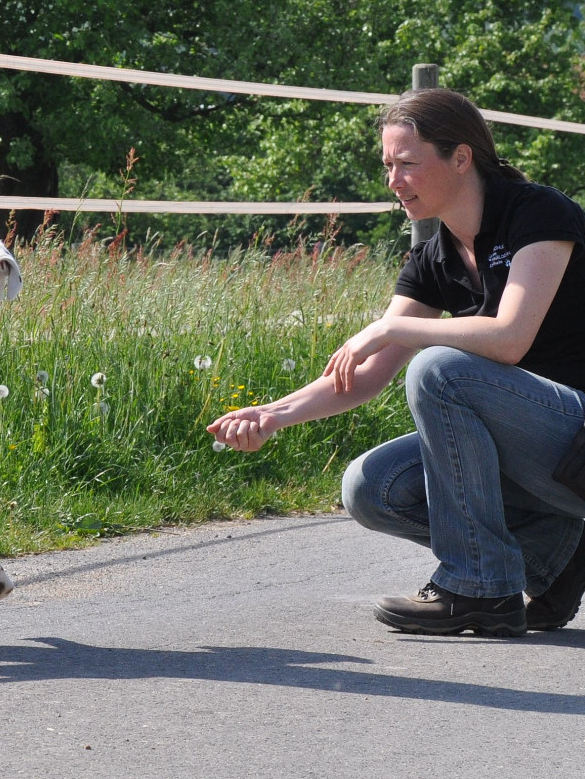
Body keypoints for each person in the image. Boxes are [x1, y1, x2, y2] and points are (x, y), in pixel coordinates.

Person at [207, 87, 585, 637]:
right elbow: (363, 376)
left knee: (439, 370)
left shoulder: (537, 213)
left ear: (461, 157)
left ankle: (479, 588)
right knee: (371, 486)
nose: (393, 181)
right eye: (388, 165)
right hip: (542, 455)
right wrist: (272, 415)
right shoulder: (433, 254)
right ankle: (551, 559)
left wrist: (391, 326)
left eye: (408, 163)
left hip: (575, 438)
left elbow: (509, 339)